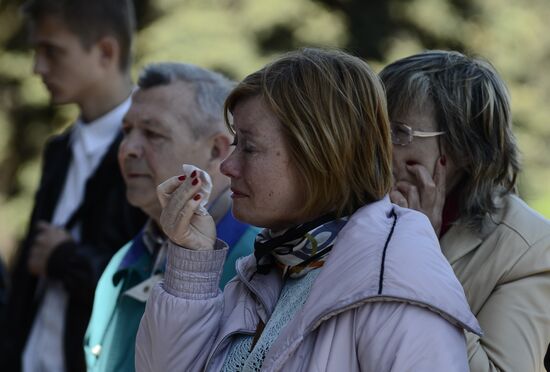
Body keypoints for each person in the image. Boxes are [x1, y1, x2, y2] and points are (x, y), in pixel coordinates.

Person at [135, 48, 481, 372]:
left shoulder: (395, 284)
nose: (227, 166)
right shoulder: (273, 267)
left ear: (318, 153)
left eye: (249, 148)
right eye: (235, 142)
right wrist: (192, 267)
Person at [0, 1, 147, 371]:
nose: (38, 67)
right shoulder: (59, 149)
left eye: (51, 50)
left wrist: (67, 259)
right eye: (36, 51)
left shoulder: (150, 154)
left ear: (105, 52)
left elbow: (151, 286)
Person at [382, 50, 550, 372]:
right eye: (374, 127)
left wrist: (423, 258)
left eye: (399, 133)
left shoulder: (530, 249)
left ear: (464, 150)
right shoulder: (352, 206)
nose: (377, 146)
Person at [84, 62, 258, 372]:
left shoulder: (259, 263)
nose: (128, 149)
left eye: (152, 133)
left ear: (217, 150)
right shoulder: (122, 263)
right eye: (126, 132)